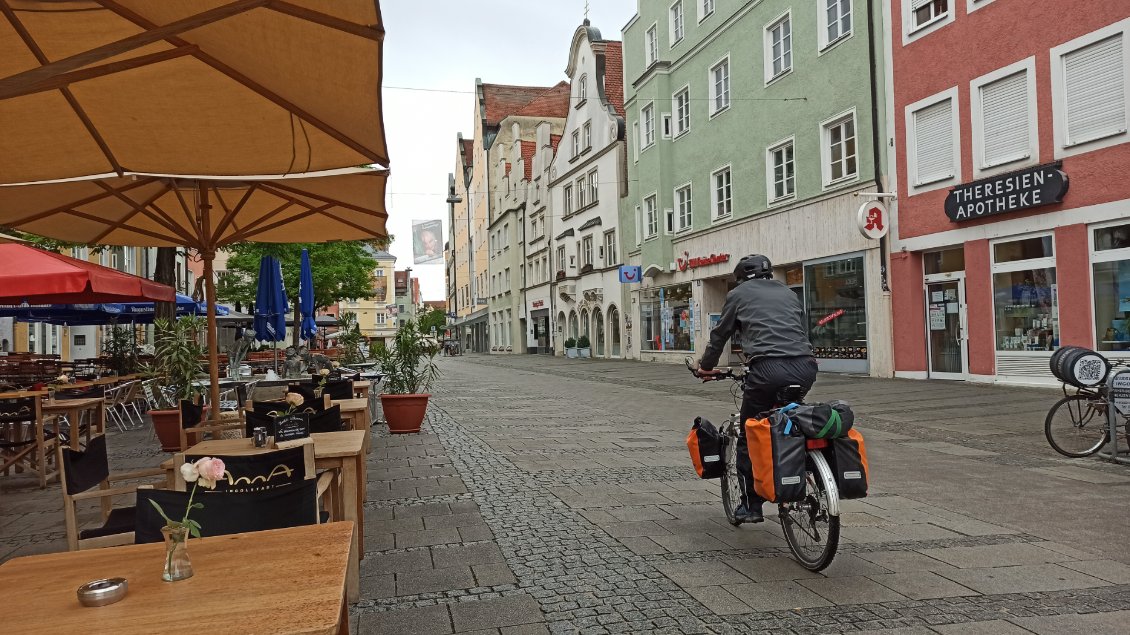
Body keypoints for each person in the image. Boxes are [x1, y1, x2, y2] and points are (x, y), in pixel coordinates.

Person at [690, 254, 818, 523]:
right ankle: (810, 474)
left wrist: (706, 366)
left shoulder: (739, 294)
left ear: (741, 277)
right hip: (806, 366)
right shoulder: (787, 292)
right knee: (791, 420)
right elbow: (801, 330)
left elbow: (720, 334)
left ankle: (751, 506)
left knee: (750, 431)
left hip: (767, 370)